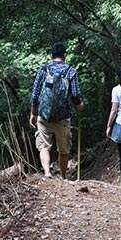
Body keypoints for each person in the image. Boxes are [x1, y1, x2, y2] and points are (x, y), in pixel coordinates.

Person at [30, 43, 85, 179]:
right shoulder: (71, 71)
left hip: (44, 114)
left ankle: (47, 173)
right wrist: (79, 105)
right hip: (64, 116)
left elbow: (35, 94)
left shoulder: (44, 70)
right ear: (64, 55)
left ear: (51, 56)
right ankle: (63, 176)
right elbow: (75, 94)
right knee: (64, 149)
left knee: (44, 145)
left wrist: (33, 113)